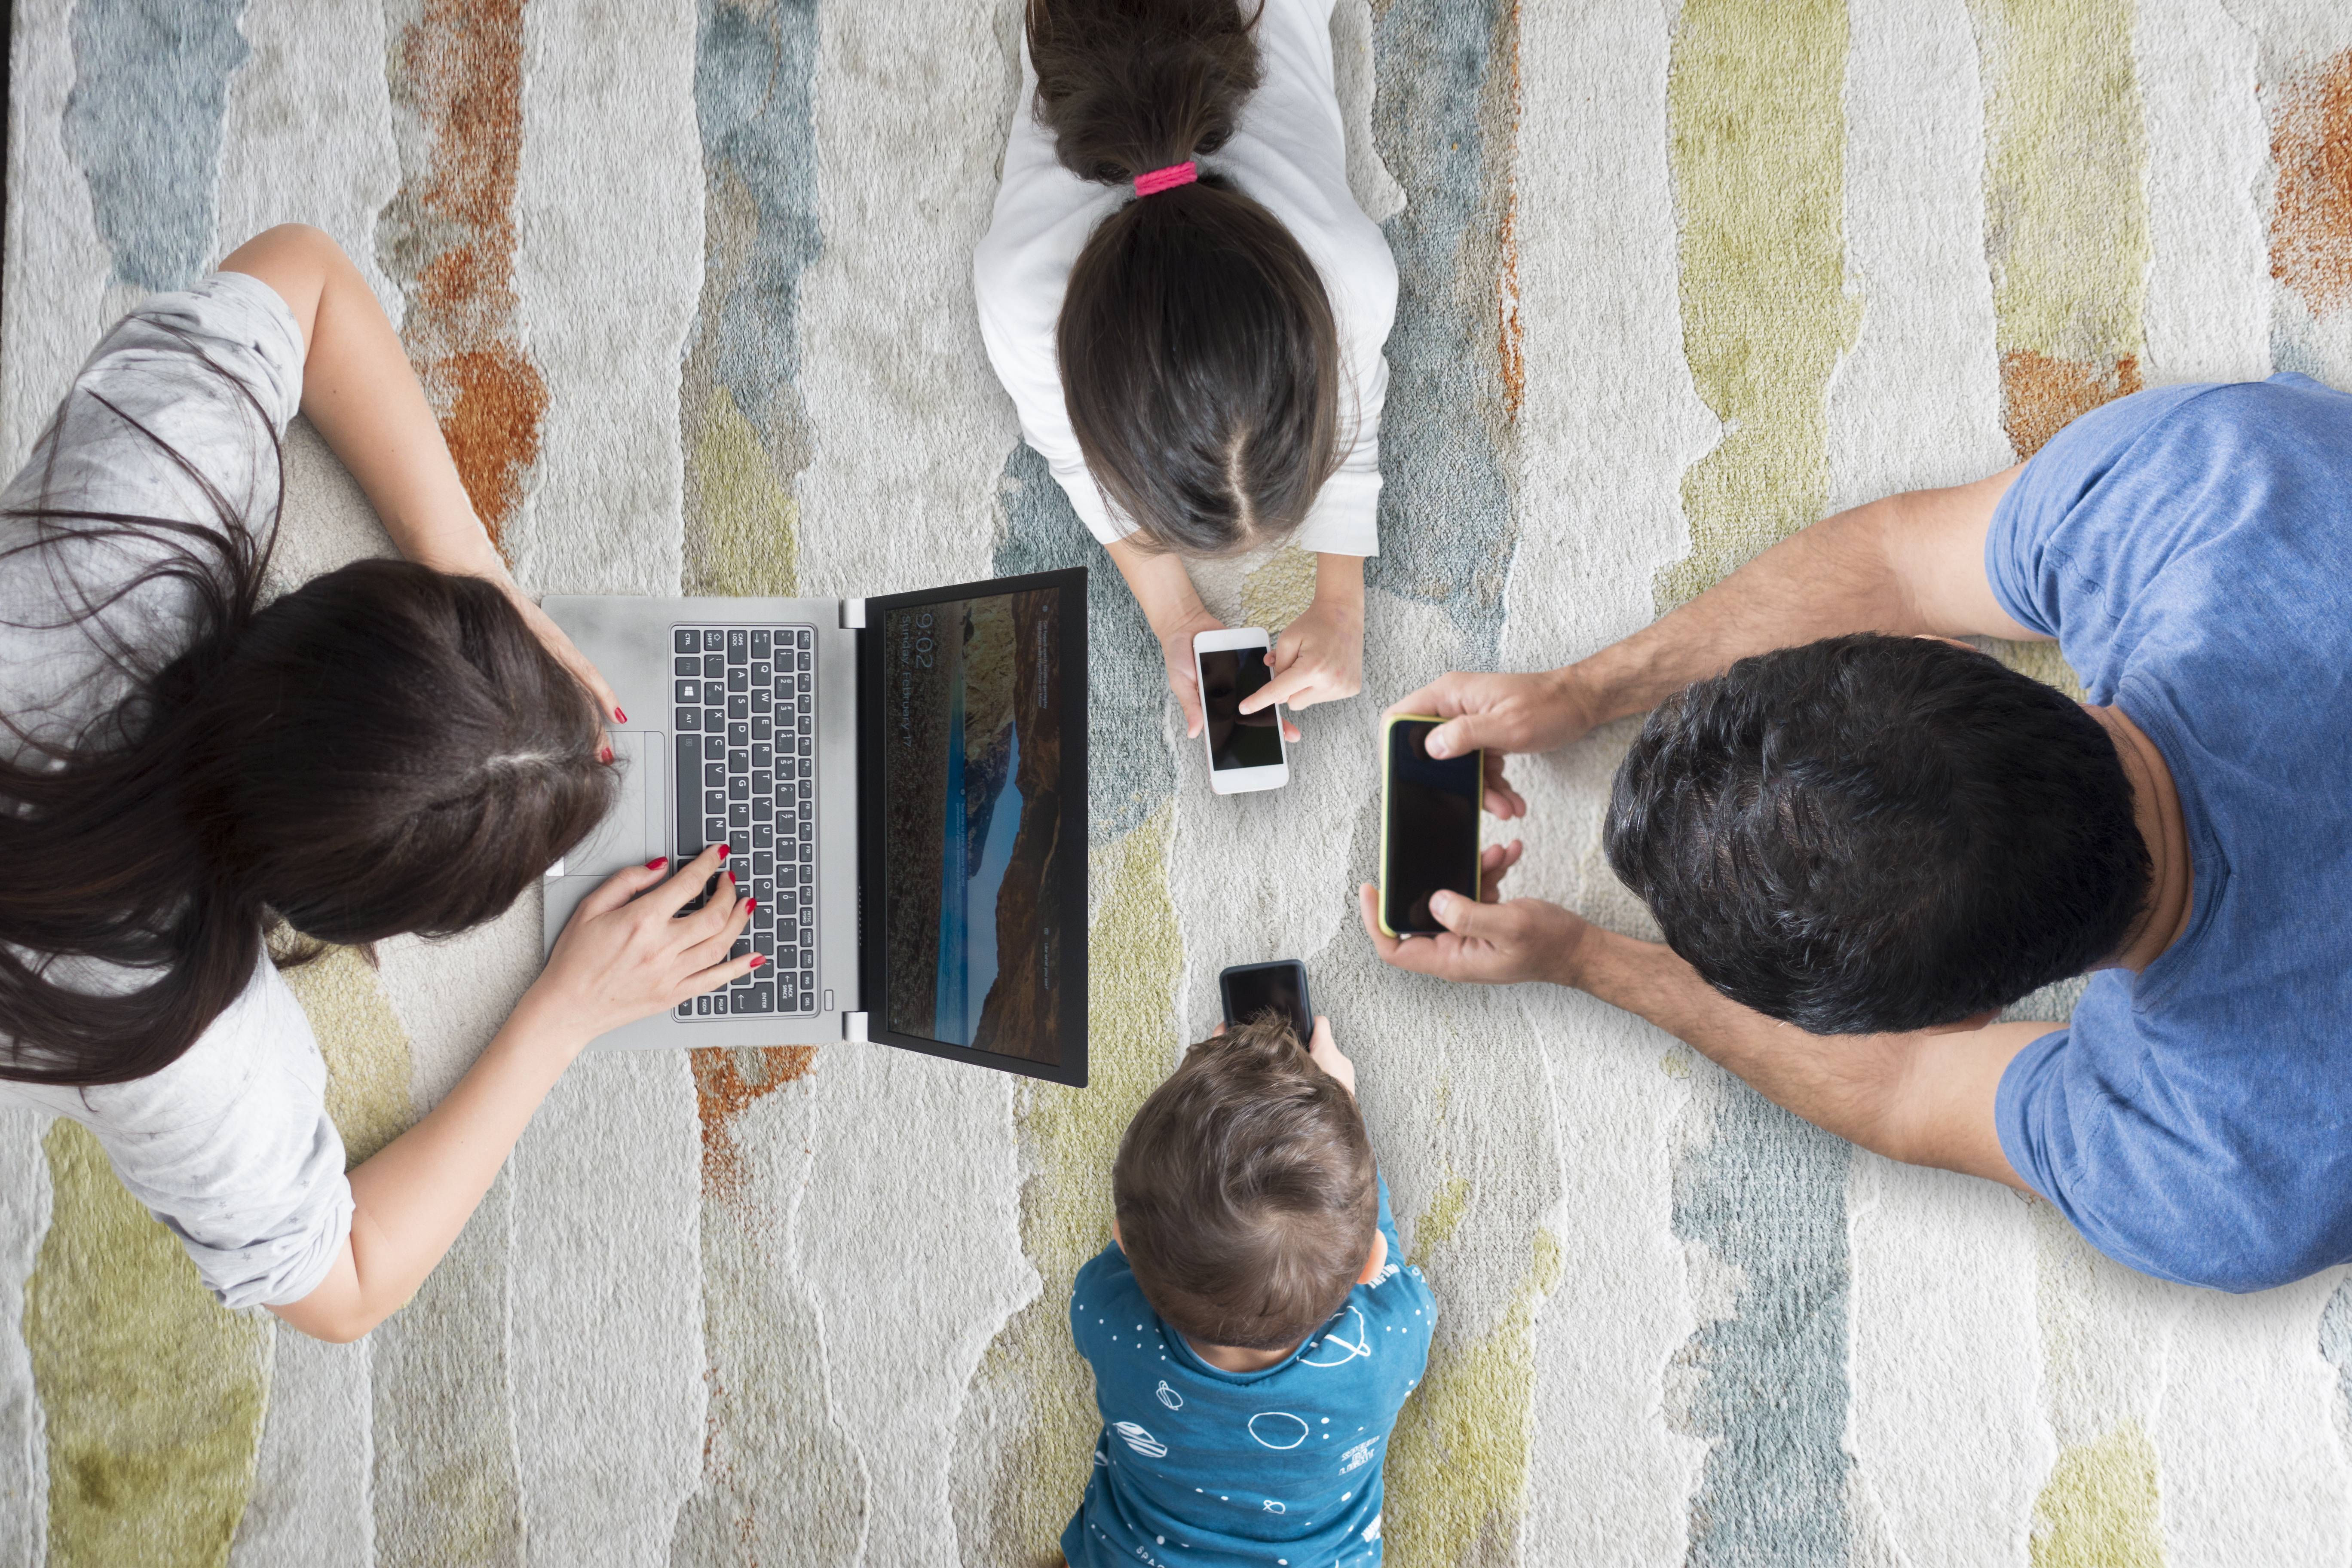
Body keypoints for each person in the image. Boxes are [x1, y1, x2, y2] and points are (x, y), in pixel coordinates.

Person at [1361, 373, 2352, 1293]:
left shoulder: (2226, 1182)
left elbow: (1905, 1093)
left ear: (1957, 1020)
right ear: (1943, 647)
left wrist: (1585, 961)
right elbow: (1898, 562)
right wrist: (1580, 692)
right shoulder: (2226, 477)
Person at [0, 225, 762, 1342]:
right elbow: (340, 1287)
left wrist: (481, 586)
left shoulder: (150, 503)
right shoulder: (184, 1053)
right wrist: (563, 1014)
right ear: (346, 927)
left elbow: (304, 274)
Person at [974, 0, 1397, 747]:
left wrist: (1338, 606)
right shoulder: (1022, 296)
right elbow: (1076, 460)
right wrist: (1179, 616)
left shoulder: (1346, 281)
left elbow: (1077, 459)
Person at [1064, 1015, 1431, 1566]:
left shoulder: (1104, 1312)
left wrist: (1195, 1111)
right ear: (1368, 1266)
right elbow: (1385, 1258)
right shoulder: (1392, 1342)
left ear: (1120, 1239)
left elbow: (1147, 1236)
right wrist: (1347, 1108)